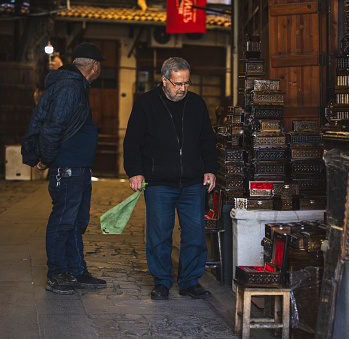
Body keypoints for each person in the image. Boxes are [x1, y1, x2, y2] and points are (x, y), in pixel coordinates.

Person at [123, 57, 218, 300]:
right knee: (159, 234)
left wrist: (210, 168)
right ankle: (162, 282)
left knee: (195, 234)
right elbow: (133, 141)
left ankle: (189, 282)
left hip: (192, 183)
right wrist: (135, 171)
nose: (183, 88)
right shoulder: (145, 104)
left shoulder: (197, 104)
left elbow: (207, 139)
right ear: (164, 80)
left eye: (186, 83)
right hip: (159, 183)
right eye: (177, 83)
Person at [21, 42, 107, 294]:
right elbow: (52, 127)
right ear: (94, 66)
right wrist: (46, 159)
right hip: (68, 167)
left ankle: (76, 271)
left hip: (79, 166)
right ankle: (57, 274)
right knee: (63, 222)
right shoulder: (70, 87)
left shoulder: (76, 85)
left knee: (76, 222)